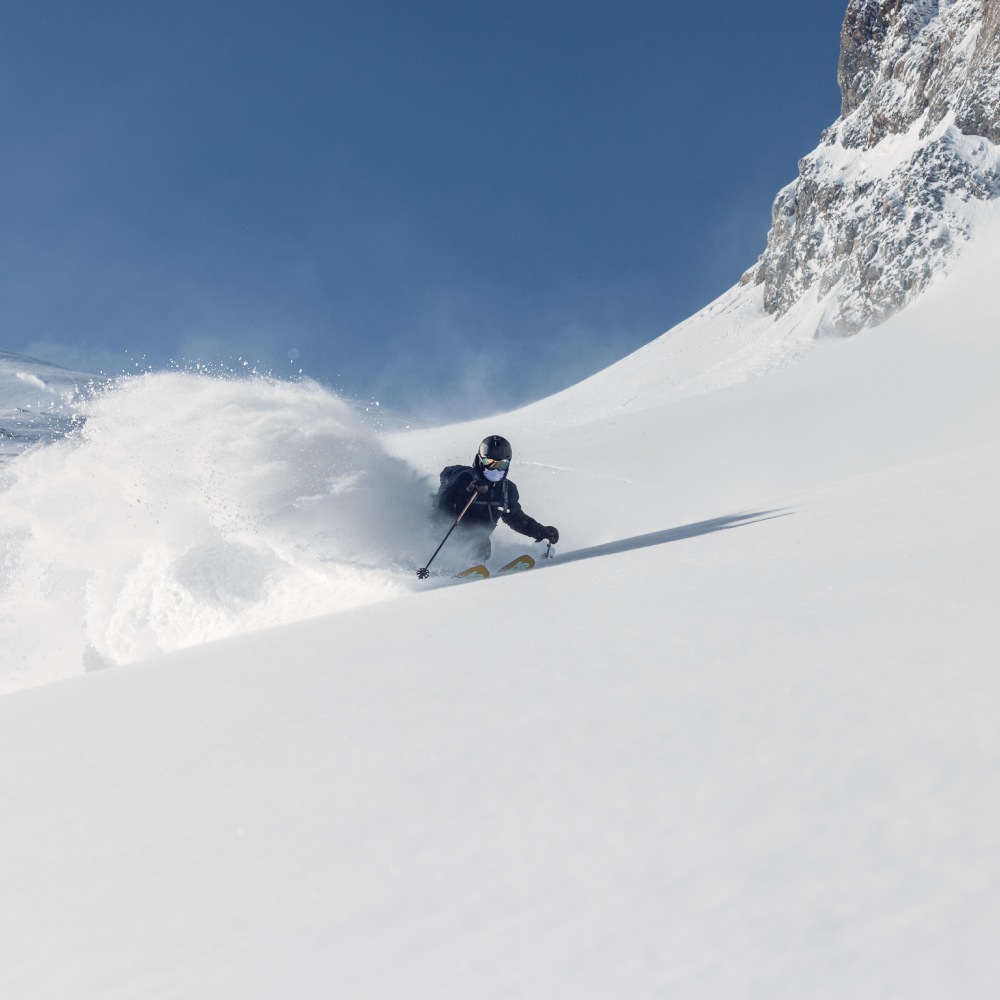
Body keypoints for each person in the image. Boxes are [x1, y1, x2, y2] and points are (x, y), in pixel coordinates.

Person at [436, 434, 559, 564]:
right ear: (480, 460)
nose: (495, 469)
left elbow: (515, 518)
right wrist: (470, 490)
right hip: (444, 532)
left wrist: (540, 531)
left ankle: (475, 570)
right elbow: (445, 505)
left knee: (481, 544)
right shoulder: (465, 478)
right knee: (479, 543)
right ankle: (444, 567)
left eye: (501, 464)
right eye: (489, 463)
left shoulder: (506, 489)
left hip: (477, 540)